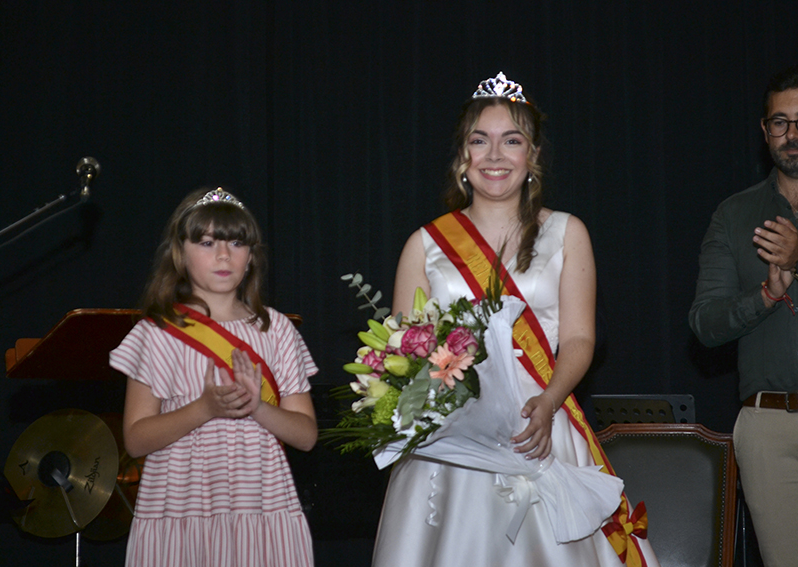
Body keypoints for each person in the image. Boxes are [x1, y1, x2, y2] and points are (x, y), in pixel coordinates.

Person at [371, 73, 659, 566]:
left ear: (532, 156)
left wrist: (548, 403)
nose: (495, 155)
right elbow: (401, 352)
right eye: (479, 141)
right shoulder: (426, 244)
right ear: (463, 158)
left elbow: (579, 337)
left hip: (539, 424)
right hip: (450, 444)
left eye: (512, 141)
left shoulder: (567, 232)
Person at [110, 188, 318, 567]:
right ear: (180, 253)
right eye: (206, 242)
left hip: (261, 507)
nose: (224, 255)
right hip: (179, 509)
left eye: (237, 243)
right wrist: (205, 408)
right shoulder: (156, 332)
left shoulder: (278, 330)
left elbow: (306, 435)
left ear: (251, 256)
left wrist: (256, 408)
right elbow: (136, 440)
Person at [689, 64, 798, 567]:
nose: (792, 135)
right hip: (769, 428)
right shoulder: (734, 215)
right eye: (780, 123)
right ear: (764, 131)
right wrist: (765, 297)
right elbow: (705, 324)